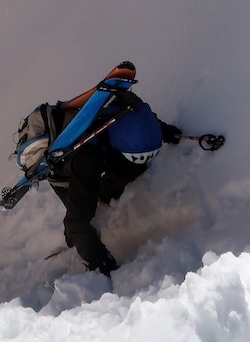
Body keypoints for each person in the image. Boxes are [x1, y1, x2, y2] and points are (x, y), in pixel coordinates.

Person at [45, 62, 182, 276]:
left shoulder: (129, 108)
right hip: (63, 168)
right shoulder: (88, 160)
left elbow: (149, 124)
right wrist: (103, 263)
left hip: (101, 152)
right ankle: (73, 253)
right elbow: (76, 220)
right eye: (133, 158)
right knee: (81, 212)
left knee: (130, 171)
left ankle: (104, 196)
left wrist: (170, 133)